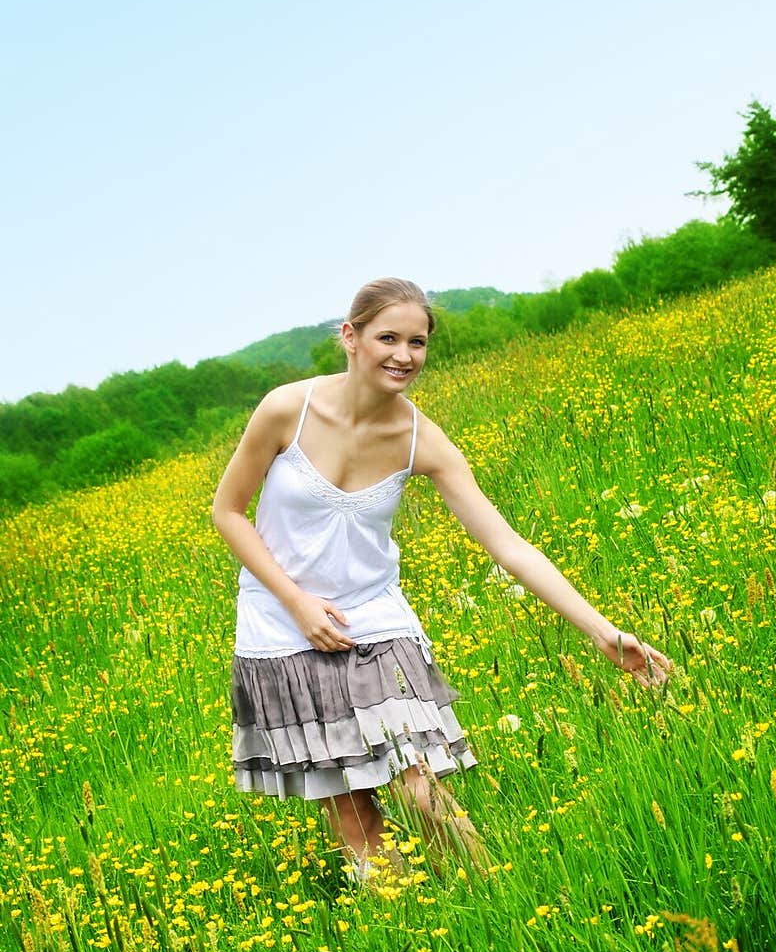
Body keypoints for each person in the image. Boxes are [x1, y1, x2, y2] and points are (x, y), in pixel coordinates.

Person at [211, 277, 671, 889]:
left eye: (418, 342)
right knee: (352, 814)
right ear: (350, 338)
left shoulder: (419, 439)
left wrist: (606, 635)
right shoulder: (284, 411)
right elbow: (228, 511)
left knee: (419, 788)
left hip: (374, 620)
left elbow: (508, 546)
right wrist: (295, 601)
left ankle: (501, 903)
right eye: (388, 338)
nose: (404, 355)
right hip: (280, 626)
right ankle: (404, 927)